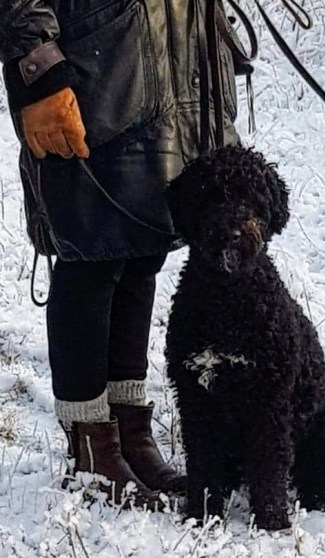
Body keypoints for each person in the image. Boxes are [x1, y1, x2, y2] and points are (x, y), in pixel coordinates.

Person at [0, 0, 253, 505]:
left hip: (172, 53)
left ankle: (129, 434)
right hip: (94, 59)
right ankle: (91, 450)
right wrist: (38, 66)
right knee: (90, 255)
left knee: (142, 252)